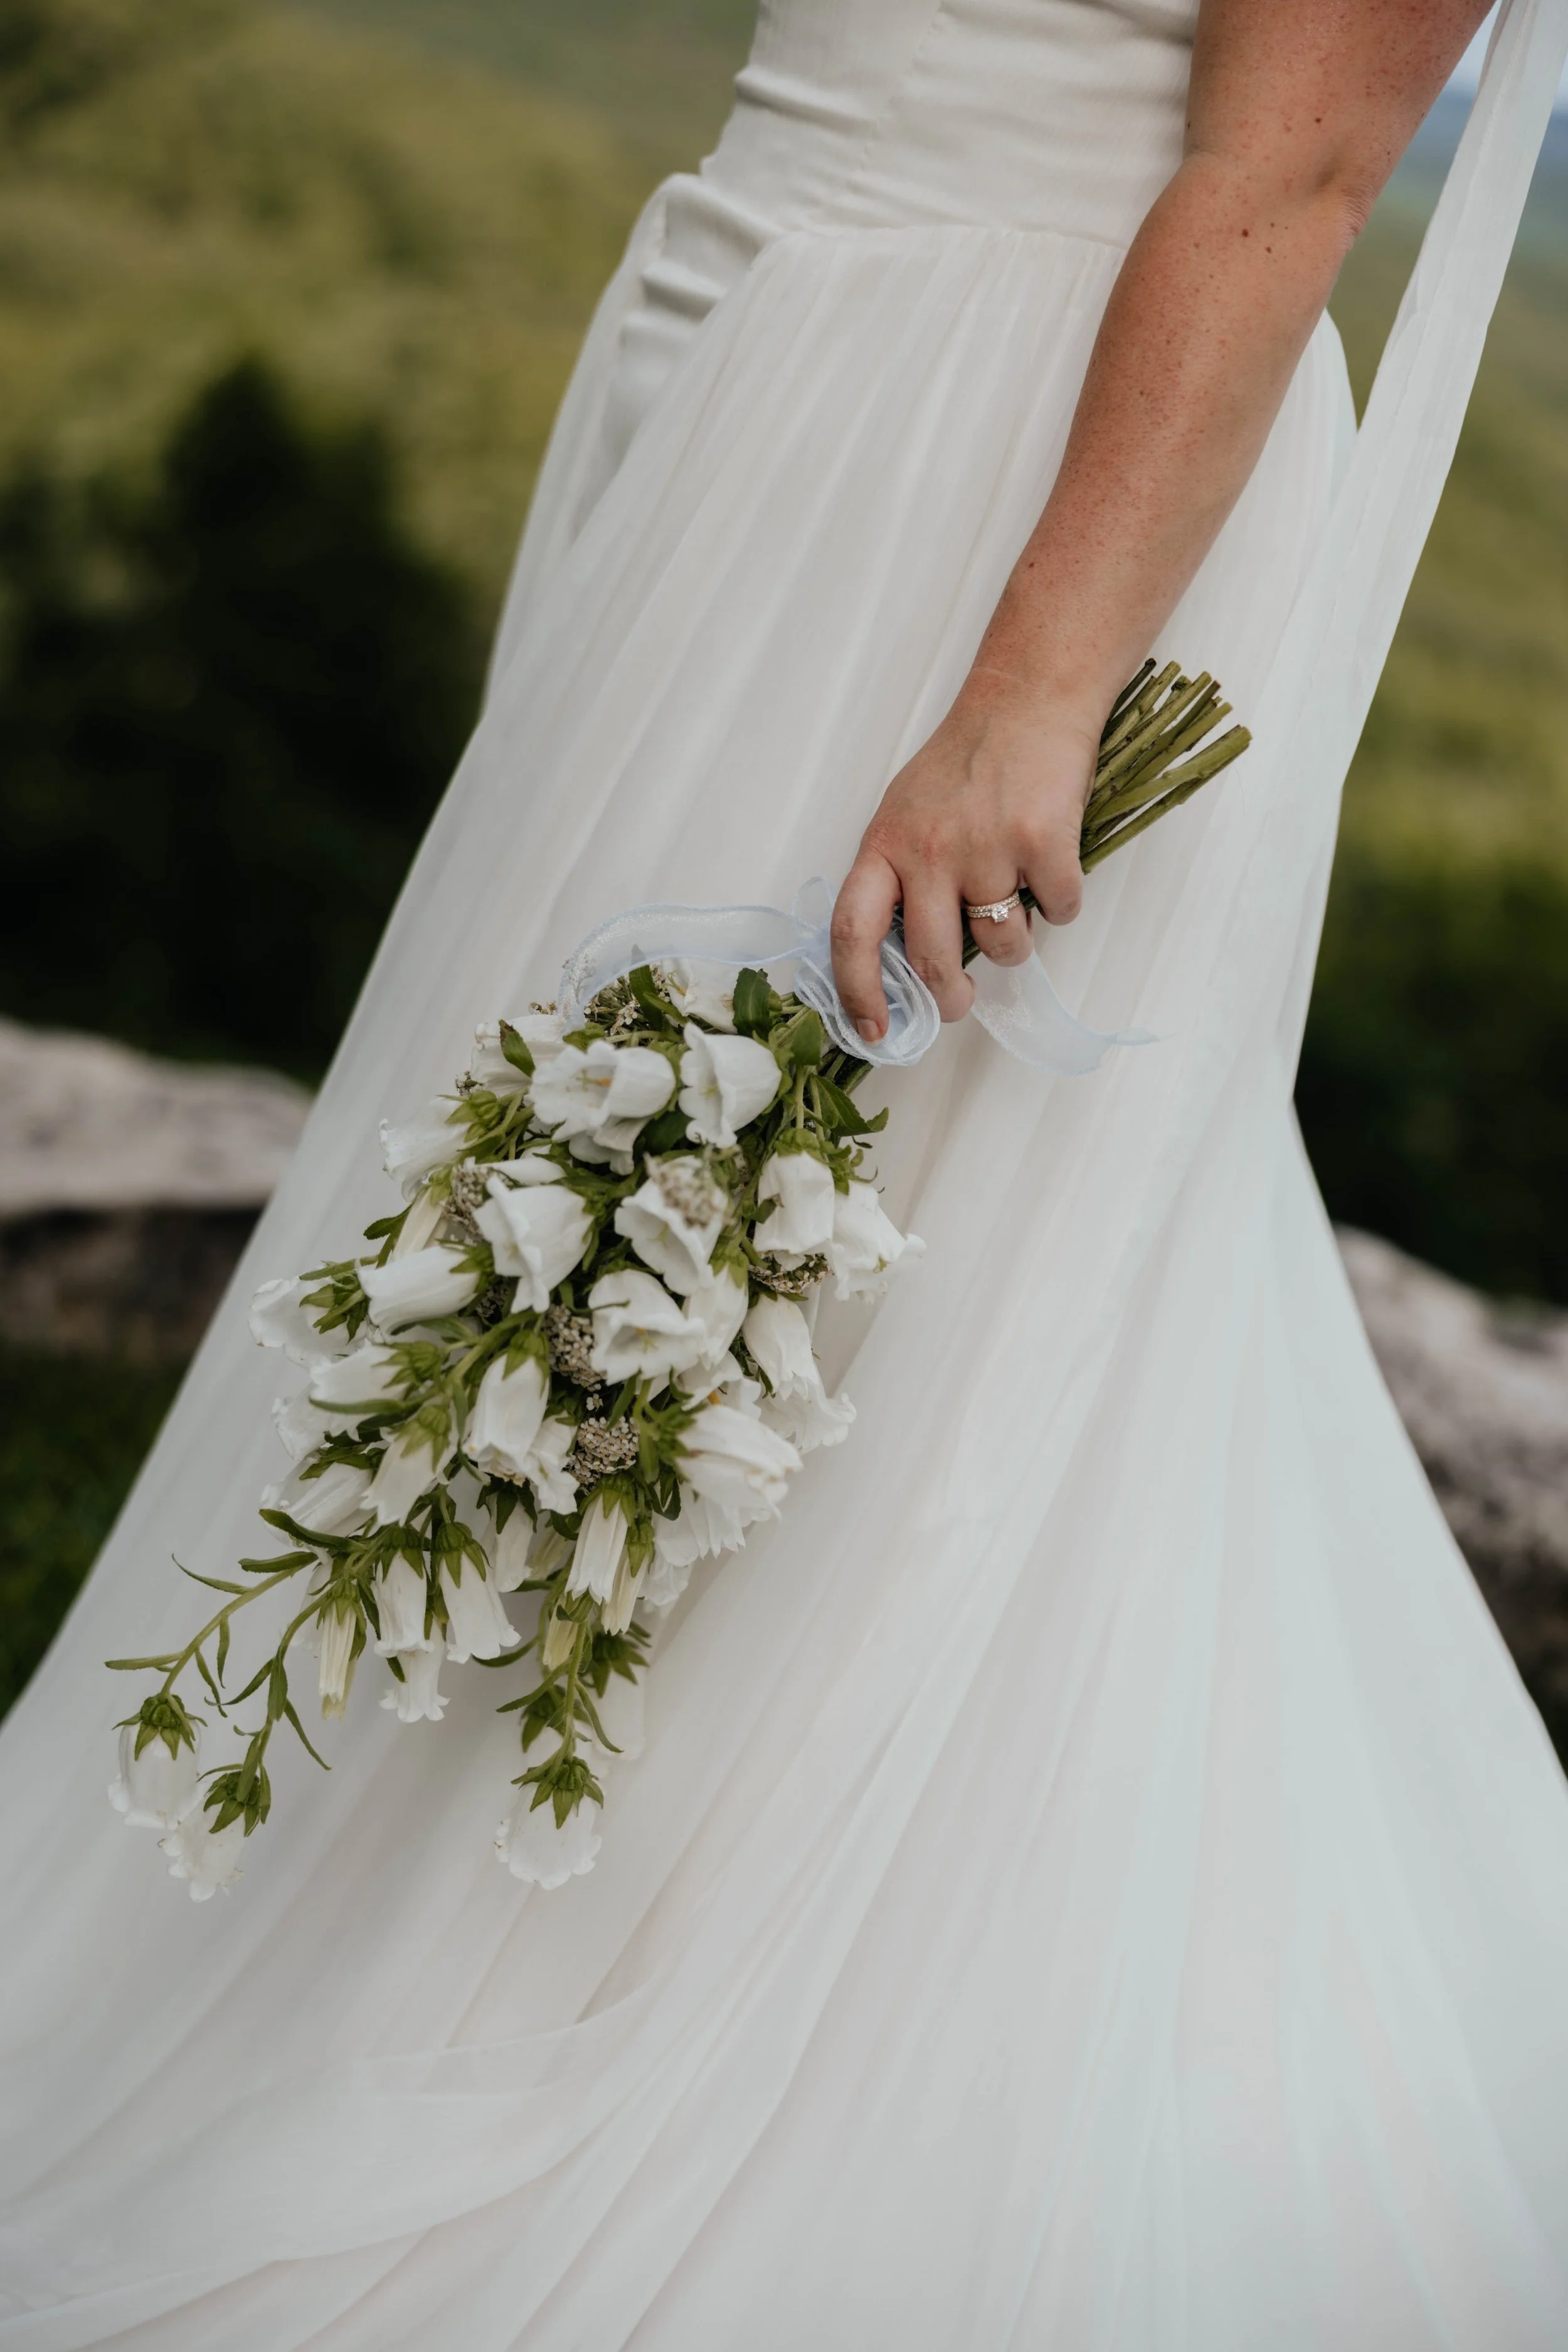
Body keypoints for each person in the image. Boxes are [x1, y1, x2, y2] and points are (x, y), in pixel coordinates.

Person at [4, 1, 1568, 2344]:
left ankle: (682, 2010)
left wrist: (1027, 695)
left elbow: (1285, 180)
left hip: (998, 482)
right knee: (533, 1199)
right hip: (757, 355)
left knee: (852, 1306)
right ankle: (389, 1908)